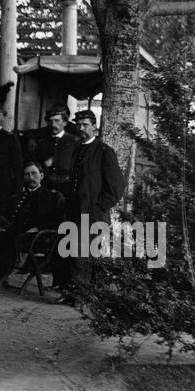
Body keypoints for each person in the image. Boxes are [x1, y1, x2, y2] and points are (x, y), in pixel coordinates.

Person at [0, 162, 65, 296]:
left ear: (41, 175)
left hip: (38, 238)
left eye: (34, 173)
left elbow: (57, 221)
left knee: (13, 240)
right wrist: (0, 223)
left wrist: (37, 228)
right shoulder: (18, 198)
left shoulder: (52, 197)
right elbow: (5, 217)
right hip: (15, 234)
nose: (30, 177)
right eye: (27, 174)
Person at [64, 108, 126, 305]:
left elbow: (117, 187)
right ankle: (74, 293)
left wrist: (98, 208)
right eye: (79, 125)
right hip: (75, 211)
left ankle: (82, 296)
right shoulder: (77, 149)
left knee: (85, 254)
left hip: (93, 214)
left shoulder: (105, 152)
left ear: (94, 127)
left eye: (85, 125)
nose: (81, 129)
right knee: (74, 253)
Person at [31, 104, 78, 216]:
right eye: (50, 121)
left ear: (65, 123)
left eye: (57, 121)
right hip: (47, 189)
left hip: (68, 189)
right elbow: (36, 165)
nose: (53, 125)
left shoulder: (74, 142)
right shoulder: (42, 143)